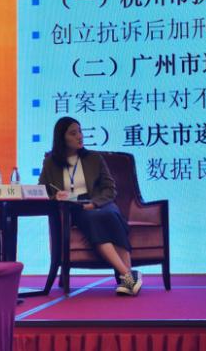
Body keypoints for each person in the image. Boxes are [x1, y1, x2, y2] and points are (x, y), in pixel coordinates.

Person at [39, 116, 142, 296]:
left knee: (110, 215)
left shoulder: (94, 158)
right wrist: (56, 196)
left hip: (101, 203)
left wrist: (94, 203)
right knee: (93, 218)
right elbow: (42, 191)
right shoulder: (51, 163)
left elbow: (110, 189)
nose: (79, 136)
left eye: (80, 131)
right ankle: (128, 275)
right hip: (74, 208)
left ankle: (126, 278)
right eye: (73, 133)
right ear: (62, 138)